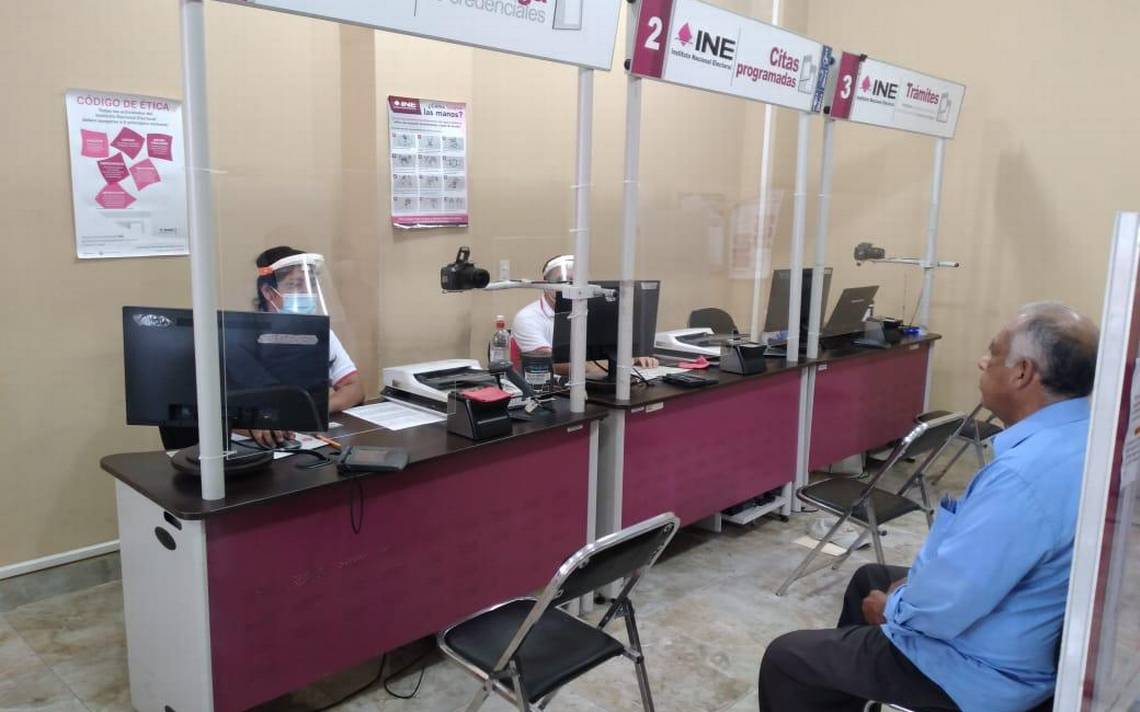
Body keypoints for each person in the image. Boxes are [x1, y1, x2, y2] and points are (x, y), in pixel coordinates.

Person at [758, 302, 1099, 712]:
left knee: (788, 660)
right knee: (869, 578)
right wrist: (912, 590)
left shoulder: (1021, 477)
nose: (982, 361)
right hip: (1022, 629)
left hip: (979, 671)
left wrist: (895, 608)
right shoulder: (1086, 438)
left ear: (1022, 373)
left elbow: (943, 608)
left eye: (993, 353)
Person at [250, 245, 364, 447]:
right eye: (295, 285)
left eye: (310, 284)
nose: (306, 293)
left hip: (307, 438)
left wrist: (311, 409)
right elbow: (216, 411)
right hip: (261, 445)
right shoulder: (244, 337)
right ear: (268, 292)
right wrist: (251, 423)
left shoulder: (319, 334)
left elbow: (354, 388)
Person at [511, 254, 659, 373]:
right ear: (545, 285)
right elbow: (553, 363)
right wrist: (619, 362)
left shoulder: (591, 311)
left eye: (576, 282)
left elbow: (606, 349)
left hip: (590, 385)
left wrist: (635, 355)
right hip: (546, 389)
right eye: (561, 282)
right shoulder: (528, 318)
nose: (569, 288)